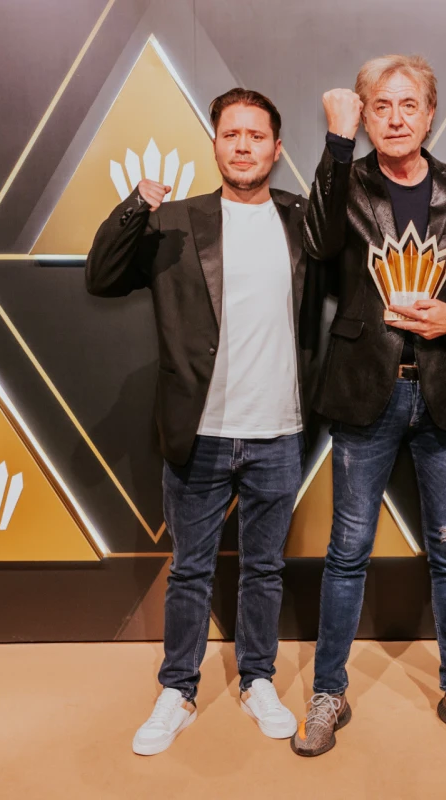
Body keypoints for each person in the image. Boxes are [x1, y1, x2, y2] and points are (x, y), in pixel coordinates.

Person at [85, 88, 324, 755]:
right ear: (215, 144)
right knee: (190, 569)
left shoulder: (303, 220)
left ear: (277, 148)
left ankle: (258, 679)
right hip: (200, 431)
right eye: (230, 134)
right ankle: (178, 689)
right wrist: (135, 205)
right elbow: (101, 277)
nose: (242, 146)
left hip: (278, 429)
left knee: (264, 569)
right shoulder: (173, 221)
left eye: (256, 135)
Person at [290, 54, 446, 757]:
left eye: (410, 105)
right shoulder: (344, 180)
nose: (397, 118)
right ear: (365, 115)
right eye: (381, 106)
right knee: (348, 548)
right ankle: (329, 691)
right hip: (364, 389)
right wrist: (336, 142)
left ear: (431, 114)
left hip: (445, 390)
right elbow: (317, 243)